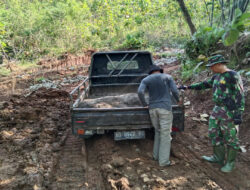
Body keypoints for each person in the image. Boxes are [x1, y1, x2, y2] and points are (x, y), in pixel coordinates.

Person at [179, 54, 245, 172]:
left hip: (229, 110)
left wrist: (238, 113)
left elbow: (240, 95)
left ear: (219, 64)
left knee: (231, 137)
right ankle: (217, 157)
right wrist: (188, 87)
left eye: (212, 66)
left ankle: (230, 163)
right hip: (217, 109)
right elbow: (205, 85)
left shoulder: (233, 76)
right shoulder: (216, 76)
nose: (210, 68)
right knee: (214, 133)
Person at [138, 65, 180, 166]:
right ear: (160, 71)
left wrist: (144, 104)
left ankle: (155, 156)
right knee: (165, 134)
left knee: (157, 131)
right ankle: (164, 162)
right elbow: (174, 91)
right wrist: (178, 100)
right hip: (165, 108)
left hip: (152, 109)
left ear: (150, 73)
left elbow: (140, 92)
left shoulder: (146, 79)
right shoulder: (167, 77)